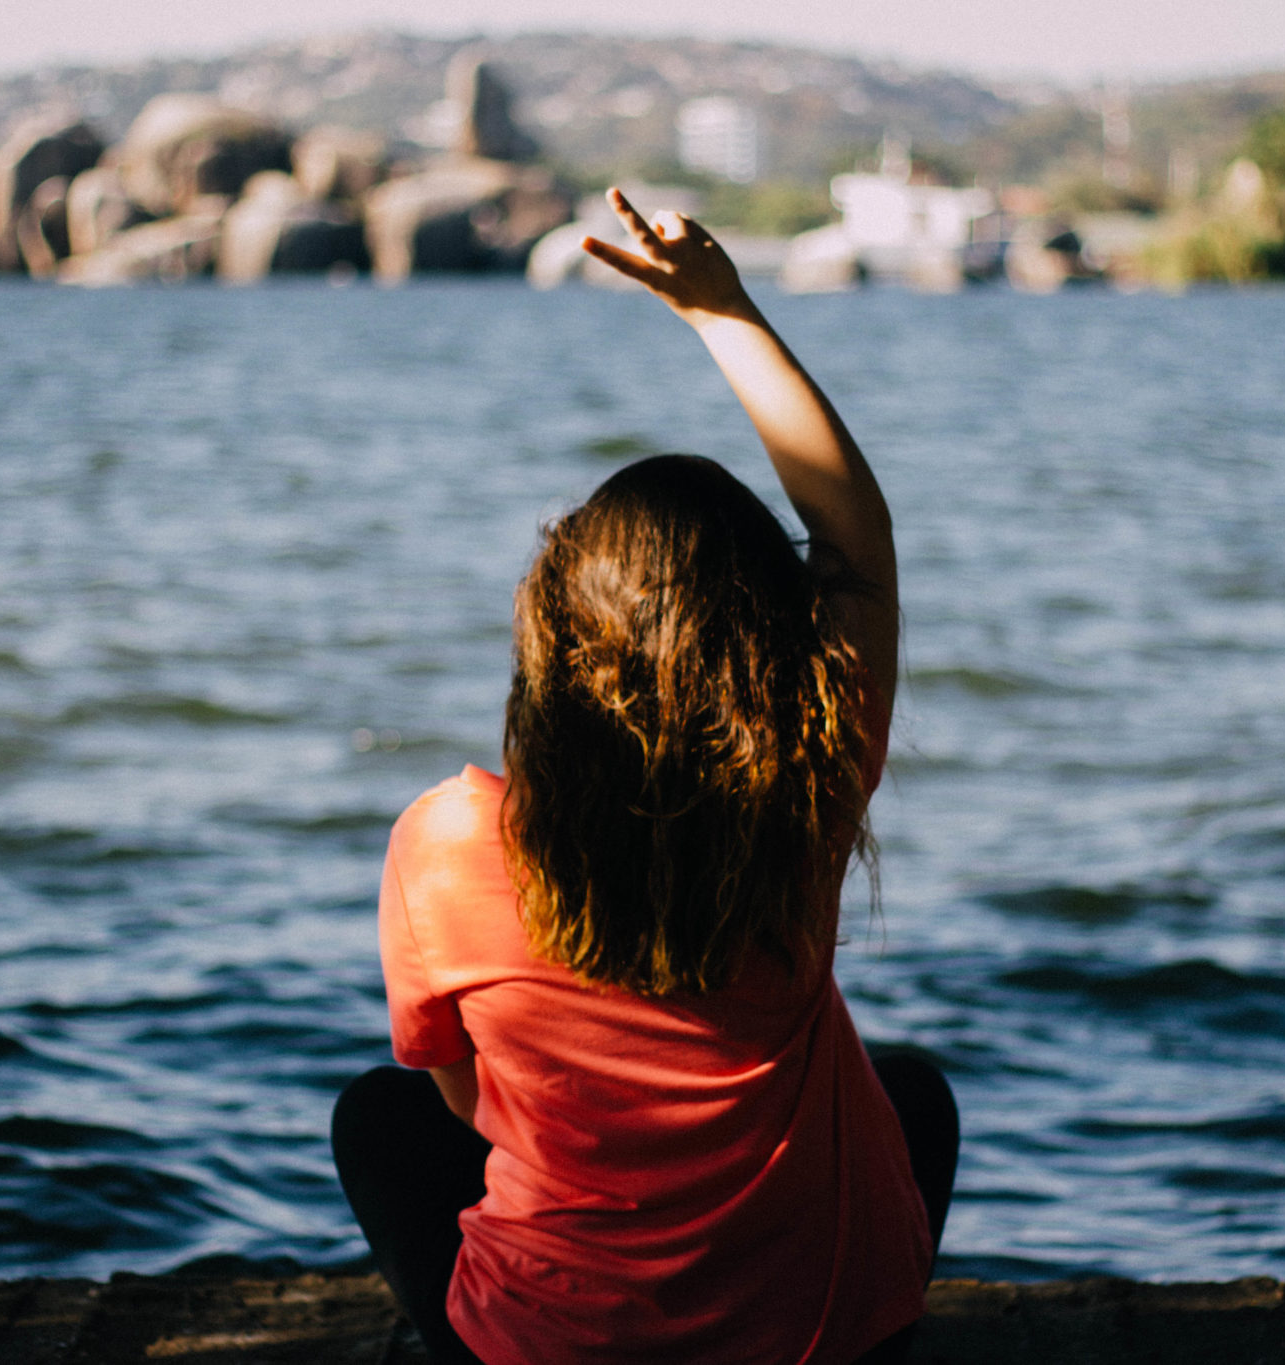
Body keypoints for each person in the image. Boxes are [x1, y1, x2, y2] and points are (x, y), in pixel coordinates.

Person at [333, 188, 958, 1365]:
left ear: (552, 648)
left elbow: (469, 1108)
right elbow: (856, 545)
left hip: (547, 1345)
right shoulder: (807, 794)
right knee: (911, 1093)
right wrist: (723, 314)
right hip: (815, 1338)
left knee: (375, 1117)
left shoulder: (450, 844)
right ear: (777, 644)